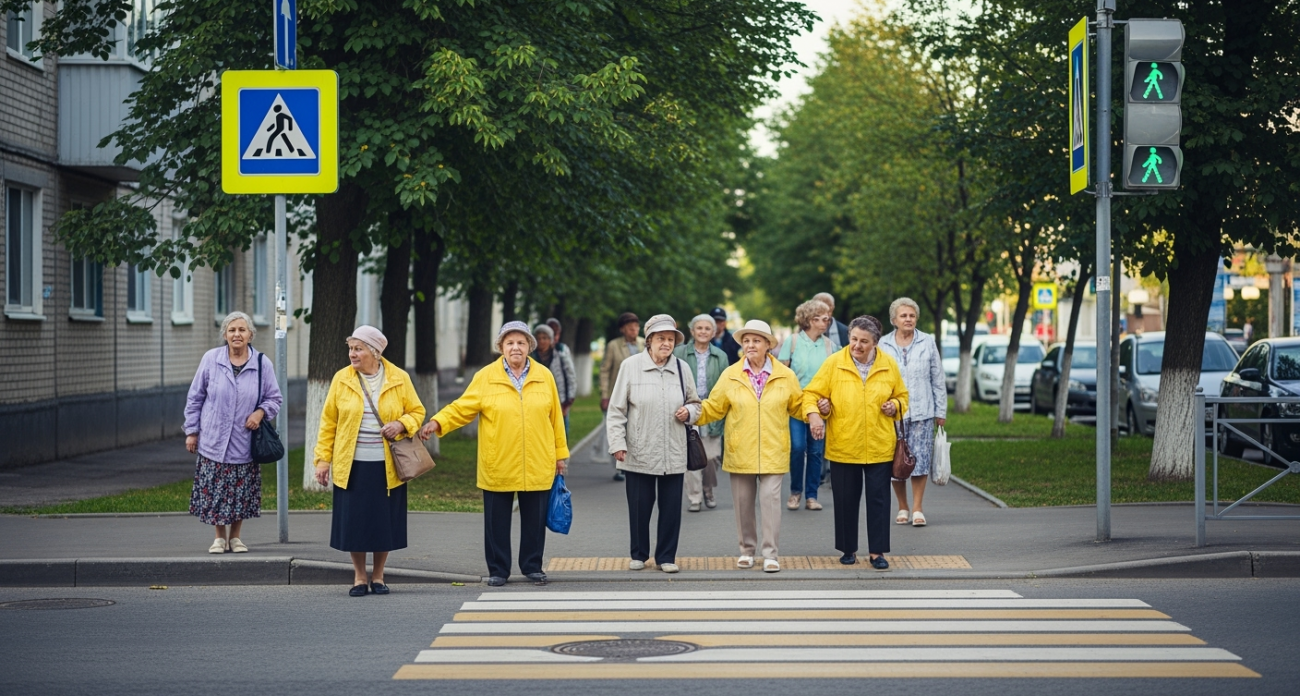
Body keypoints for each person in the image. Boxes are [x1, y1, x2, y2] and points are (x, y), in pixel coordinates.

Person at [420, 321, 569, 587]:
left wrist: (560, 455)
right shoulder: (486, 377)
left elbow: (555, 418)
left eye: (521, 343)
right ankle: (498, 570)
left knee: (534, 521)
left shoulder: (544, 375)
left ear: (529, 347)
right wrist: (438, 422)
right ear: (501, 347)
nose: (515, 348)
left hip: (538, 460)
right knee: (496, 522)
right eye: (510, 343)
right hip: (498, 460)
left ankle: (532, 566)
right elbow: (462, 407)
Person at [313, 326, 425, 596]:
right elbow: (329, 421)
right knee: (355, 522)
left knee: (382, 522)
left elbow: (417, 411)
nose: (352, 354)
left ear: (374, 352)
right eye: (351, 348)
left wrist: (401, 423)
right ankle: (359, 576)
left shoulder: (399, 377)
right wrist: (322, 460)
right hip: (351, 464)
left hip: (387, 465)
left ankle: (379, 575)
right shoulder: (342, 378)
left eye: (358, 349)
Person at [692, 319, 806, 573]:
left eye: (756, 341)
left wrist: (816, 412)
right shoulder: (731, 374)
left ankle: (770, 553)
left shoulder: (785, 376)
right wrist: (692, 414)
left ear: (768, 345)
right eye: (746, 341)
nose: (750, 345)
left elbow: (798, 405)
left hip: (773, 449)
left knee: (770, 500)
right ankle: (746, 550)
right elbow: (714, 406)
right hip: (740, 449)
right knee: (743, 504)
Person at [804, 315, 909, 571]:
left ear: (875, 343)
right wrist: (820, 411)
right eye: (854, 339)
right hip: (844, 444)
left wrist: (893, 405)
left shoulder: (888, 364)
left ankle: (877, 552)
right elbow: (812, 394)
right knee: (845, 500)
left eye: (864, 341)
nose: (857, 346)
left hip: (879, 445)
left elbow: (903, 397)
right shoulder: (834, 363)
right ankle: (848, 549)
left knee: (879, 501)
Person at [606, 314, 701, 574]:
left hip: (674, 448)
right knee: (639, 506)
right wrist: (617, 443)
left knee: (671, 508)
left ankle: (666, 556)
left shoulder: (682, 368)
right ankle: (638, 553)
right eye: (661, 338)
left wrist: (689, 413)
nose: (666, 343)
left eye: (670, 339)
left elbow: (696, 404)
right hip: (639, 448)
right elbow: (616, 410)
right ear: (648, 341)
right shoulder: (630, 366)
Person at [185, 312, 283, 555]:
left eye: (242, 330)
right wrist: (191, 432)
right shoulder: (211, 359)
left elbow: (274, 398)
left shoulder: (262, 363)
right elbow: (195, 397)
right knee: (217, 489)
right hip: (213, 438)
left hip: (244, 440)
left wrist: (260, 413)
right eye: (232, 330)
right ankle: (219, 538)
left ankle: (236, 537)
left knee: (240, 490)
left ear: (251, 334)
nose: (237, 334)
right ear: (225, 335)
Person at [879, 297, 947, 527]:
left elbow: (937, 378)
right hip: (892, 413)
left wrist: (941, 410)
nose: (908, 319)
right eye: (903, 315)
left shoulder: (927, 342)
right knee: (896, 462)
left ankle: (917, 508)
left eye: (912, 315)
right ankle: (903, 506)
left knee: (920, 460)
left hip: (922, 411)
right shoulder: (883, 344)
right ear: (893, 319)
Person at [777, 298, 835, 511]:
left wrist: (828, 400)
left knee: (816, 451)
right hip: (795, 405)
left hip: (819, 408)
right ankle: (795, 492)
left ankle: (811, 495)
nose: (825, 323)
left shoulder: (830, 346)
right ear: (808, 320)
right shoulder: (792, 342)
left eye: (827, 319)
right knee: (798, 447)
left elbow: (834, 378)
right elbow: (781, 375)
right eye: (820, 319)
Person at [674, 314, 728, 512]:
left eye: (707, 329)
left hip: (712, 410)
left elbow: (725, 387)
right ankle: (695, 497)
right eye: (700, 328)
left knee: (712, 457)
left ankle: (708, 489)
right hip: (688, 408)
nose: (703, 332)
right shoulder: (679, 353)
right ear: (692, 331)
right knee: (692, 454)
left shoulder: (721, 356)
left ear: (713, 332)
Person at [600, 312, 645, 481]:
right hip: (618, 393)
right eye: (629, 327)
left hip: (640, 394)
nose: (634, 329)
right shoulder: (614, 346)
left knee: (636, 428)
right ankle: (619, 467)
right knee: (619, 428)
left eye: (636, 326)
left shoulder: (644, 344)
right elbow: (605, 370)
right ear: (622, 329)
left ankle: (635, 462)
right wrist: (604, 395)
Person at [532, 323, 577, 434]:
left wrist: (567, 402)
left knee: (560, 432)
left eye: (545, 338)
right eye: (539, 338)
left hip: (560, 401)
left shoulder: (560, 355)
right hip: (536, 402)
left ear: (551, 340)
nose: (542, 341)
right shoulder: (530, 357)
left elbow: (571, 377)